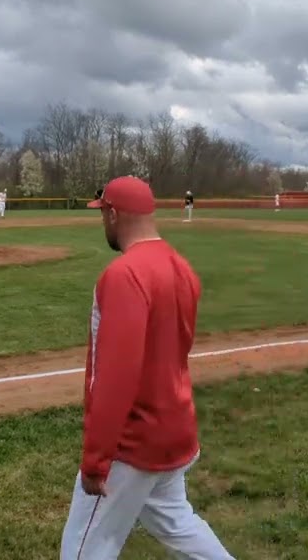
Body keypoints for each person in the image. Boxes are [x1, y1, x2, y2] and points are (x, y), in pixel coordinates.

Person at [60, 176, 233, 560]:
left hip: (132, 445)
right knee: (179, 525)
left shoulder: (124, 274)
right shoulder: (180, 266)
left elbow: (116, 376)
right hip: (174, 427)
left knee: (83, 550)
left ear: (114, 213)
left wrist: (96, 459)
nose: (102, 222)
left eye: (102, 213)